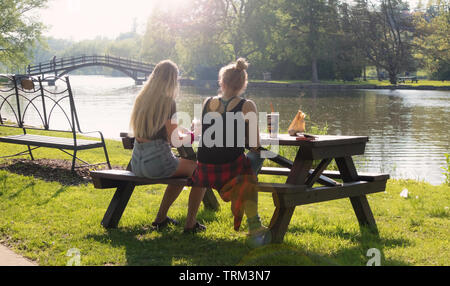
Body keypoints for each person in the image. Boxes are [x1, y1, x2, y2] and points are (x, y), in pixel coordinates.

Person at [190, 58, 269, 245]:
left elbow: (204, 132)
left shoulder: (207, 102)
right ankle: (253, 222)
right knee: (259, 155)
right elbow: (255, 144)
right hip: (230, 170)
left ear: (221, 82)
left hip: (205, 171)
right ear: (243, 84)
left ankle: (189, 222)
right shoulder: (247, 105)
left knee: (246, 164)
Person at [129, 60, 206, 233]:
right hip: (156, 163)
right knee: (201, 170)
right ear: (172, 80)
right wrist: (195, 133)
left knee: (182, 169)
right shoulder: (167, 102)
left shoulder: (141, 98)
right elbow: (174, 141)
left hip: (137, 163)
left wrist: (182, 131)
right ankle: (190, 223)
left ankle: (161, 218)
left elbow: (160, 131)